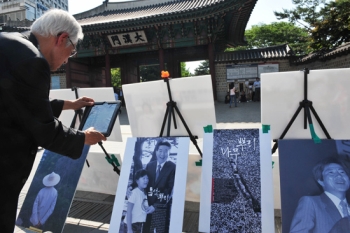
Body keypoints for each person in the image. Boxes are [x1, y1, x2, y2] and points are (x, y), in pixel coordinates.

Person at [0, 9, 106, 232]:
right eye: (72, 51)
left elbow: (19, 105)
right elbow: (43, 128)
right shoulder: (32, 61)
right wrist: (83, 138)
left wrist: (70, 104)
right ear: (62, 38)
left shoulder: (9, 43)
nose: (68, 60)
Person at [290, 157, 350, 233]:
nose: (339, 176)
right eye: (331, 172)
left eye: (342, 172)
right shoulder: (310, 203)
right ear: (321, 181)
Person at [143, 141, 175, 233]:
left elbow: (169, 189)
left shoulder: (173, 167)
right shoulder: (150, 165)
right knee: (146, 229)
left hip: (162, 207)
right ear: (156, 151)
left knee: (161, 230)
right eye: (160, 151)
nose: (162, 154)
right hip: (148, 206)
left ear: (169, 152)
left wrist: (155, 206)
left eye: (166, 151)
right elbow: (145, 182)